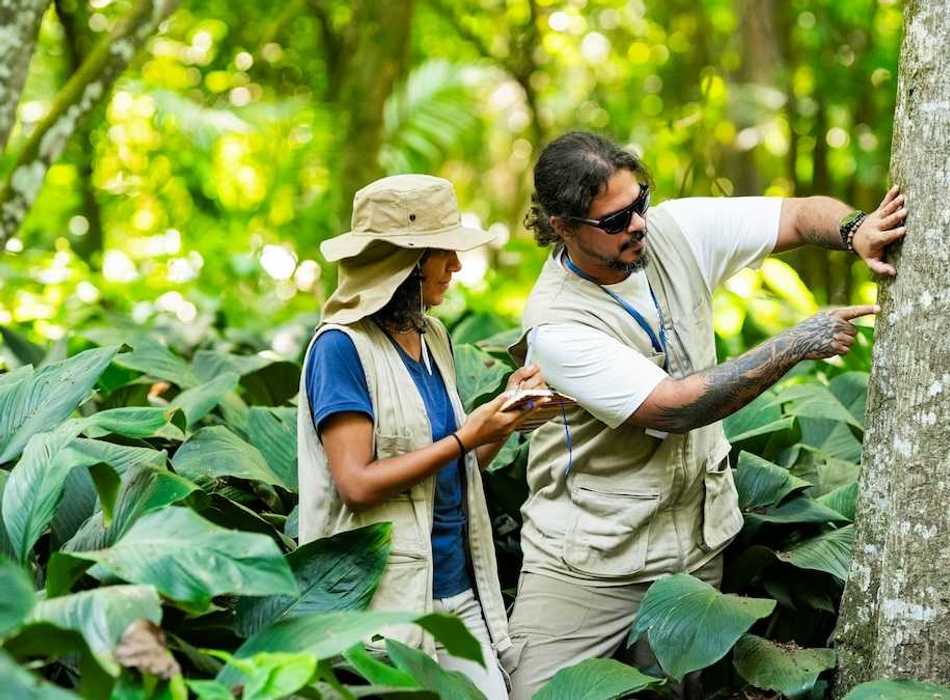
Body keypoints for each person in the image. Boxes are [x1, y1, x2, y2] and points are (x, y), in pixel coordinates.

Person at [504, 132, 907, 697]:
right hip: (590, 560)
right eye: (615, 221)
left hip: (693, 546)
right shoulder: (557, 326)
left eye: (638, 203)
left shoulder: (672, 232)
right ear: (563, 227)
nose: (638, 224)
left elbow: (795, 215)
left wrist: (853, 229)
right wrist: (797, 343)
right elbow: (674, 408)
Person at [295, 174, 547, 700]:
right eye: (443, 253)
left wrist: (503, 418)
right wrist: (462, 438)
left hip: (459, 592)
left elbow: (455, 468)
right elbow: (357, 484)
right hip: (387, 605)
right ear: (405, 263)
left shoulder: (432, 337)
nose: (455, 266)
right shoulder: (341, 348)